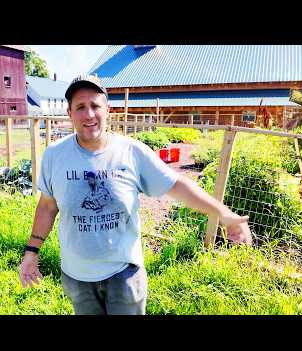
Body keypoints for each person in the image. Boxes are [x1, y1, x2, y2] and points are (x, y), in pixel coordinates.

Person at [18, 74, 252, 315]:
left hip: (124, 275)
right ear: (69, 113)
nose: (89, 114)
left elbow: (178, 185)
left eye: (95, 106)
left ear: (108, 109)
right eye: (80, 107)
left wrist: (224, 213)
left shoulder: (131, 152)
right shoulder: (55, 155)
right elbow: (47, 206)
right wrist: (31, 252)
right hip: (77, 277)